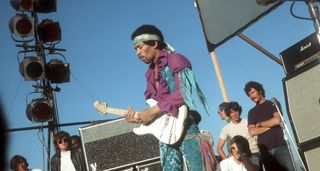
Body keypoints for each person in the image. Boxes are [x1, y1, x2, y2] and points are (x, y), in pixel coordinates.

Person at [123, 24, 214, 171]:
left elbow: (184, 93)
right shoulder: (149, 74)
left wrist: (153, 112)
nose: (137, 53)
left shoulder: (176, 60)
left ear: (154, 43)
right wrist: (139, 118)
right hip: (165, 133)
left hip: (186, 127)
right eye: (135, 49)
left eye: (139, 47)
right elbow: (154, 106)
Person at [244, 81, 294, 171]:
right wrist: (271, 124)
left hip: (281, 146)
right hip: (265, 150)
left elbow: (277, 120)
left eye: (252, 92)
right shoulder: (251, 112)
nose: (251, 96)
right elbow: (252, 131)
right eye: (249, 95)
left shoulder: (273, 103)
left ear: (260, 91)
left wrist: (259, 124)